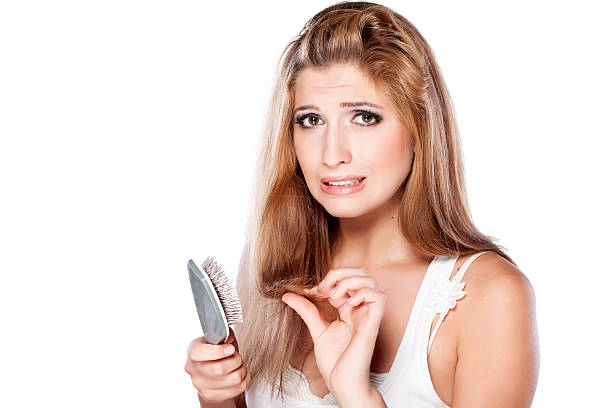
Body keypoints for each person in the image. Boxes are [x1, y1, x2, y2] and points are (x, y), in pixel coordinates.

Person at [184, 2, 540, 407]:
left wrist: (357, 394)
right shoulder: (269, 267)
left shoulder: (488, 296)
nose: (332, 154)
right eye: (311, 120)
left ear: (419, 127)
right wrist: (217, 396)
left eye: (365, 117)